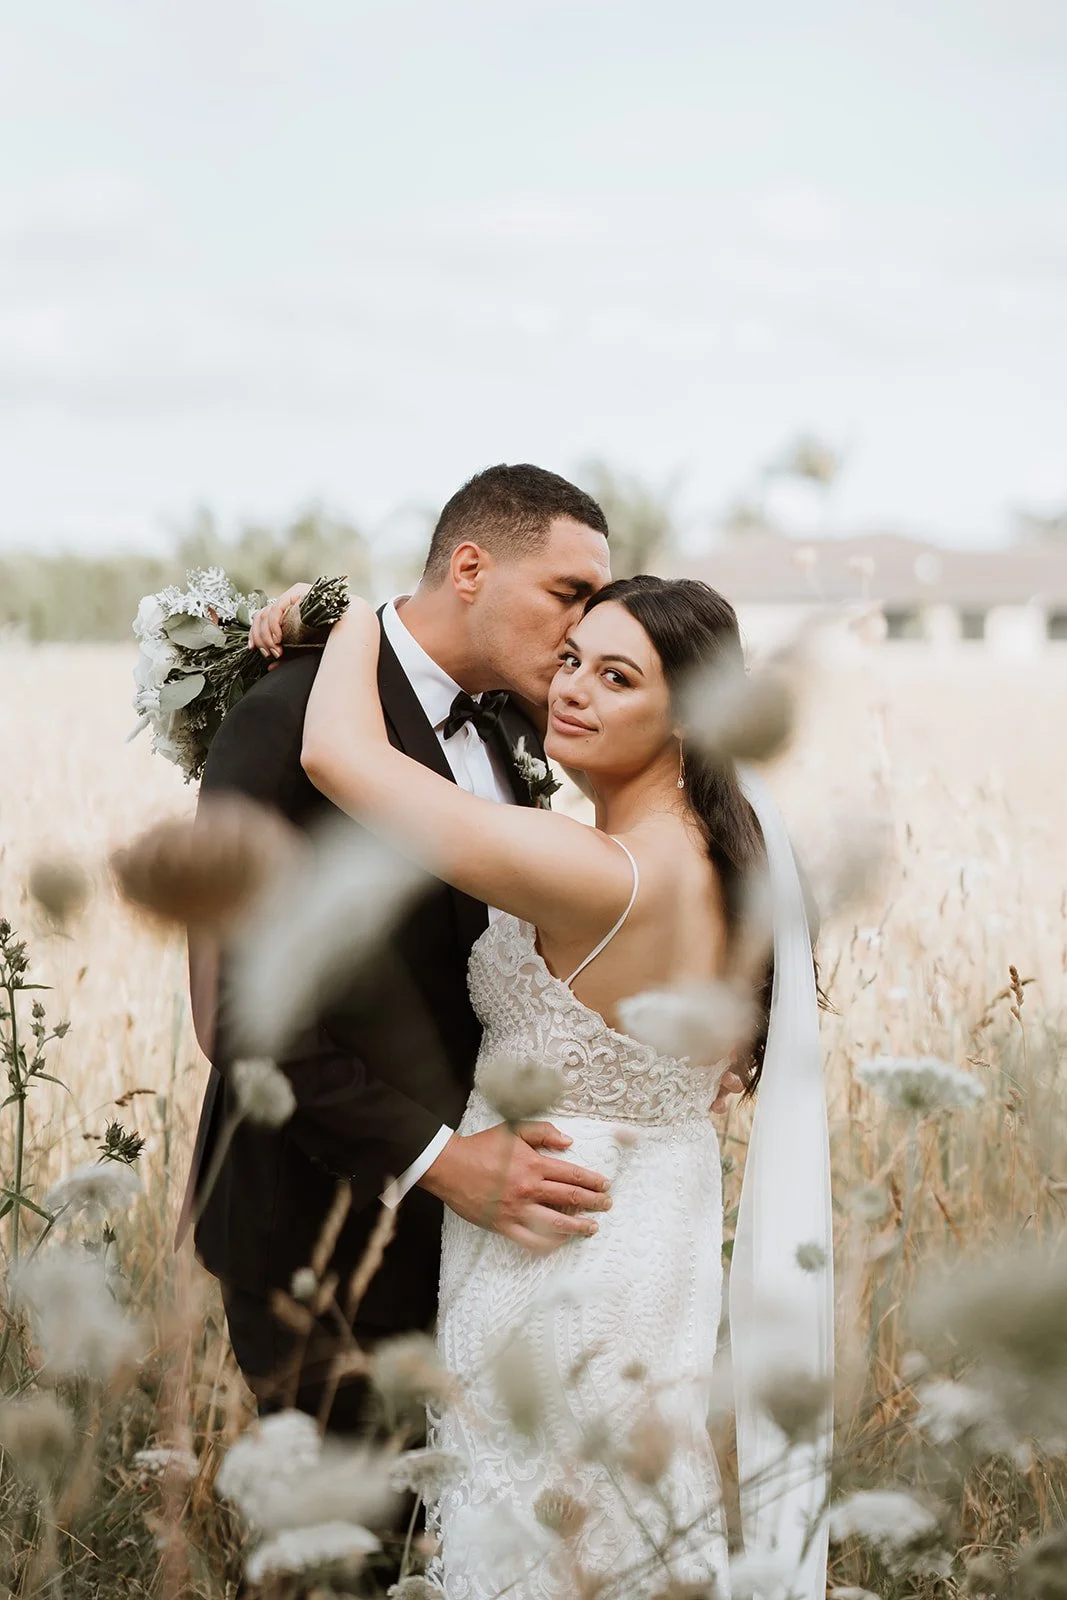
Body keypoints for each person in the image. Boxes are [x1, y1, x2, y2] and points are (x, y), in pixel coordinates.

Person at [180, 462, 747, 1436]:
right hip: (329, 1228)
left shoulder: (539, 730)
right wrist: (437, 1160)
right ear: (471, 567)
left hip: (531, 1244)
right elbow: (238, 1013)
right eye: (569, 597)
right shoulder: (285, 717)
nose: (579, 641)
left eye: (606, 655)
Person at [297, 573, 832, 1598]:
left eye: (617, 676)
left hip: (552, 1243)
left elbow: (334, 756)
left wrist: (350, 613)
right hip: (654, 1227)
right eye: (573, 660)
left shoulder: (604, 872)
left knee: (539, 1521)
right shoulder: (726, 863)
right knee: (627, 1506)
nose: (571, 690)